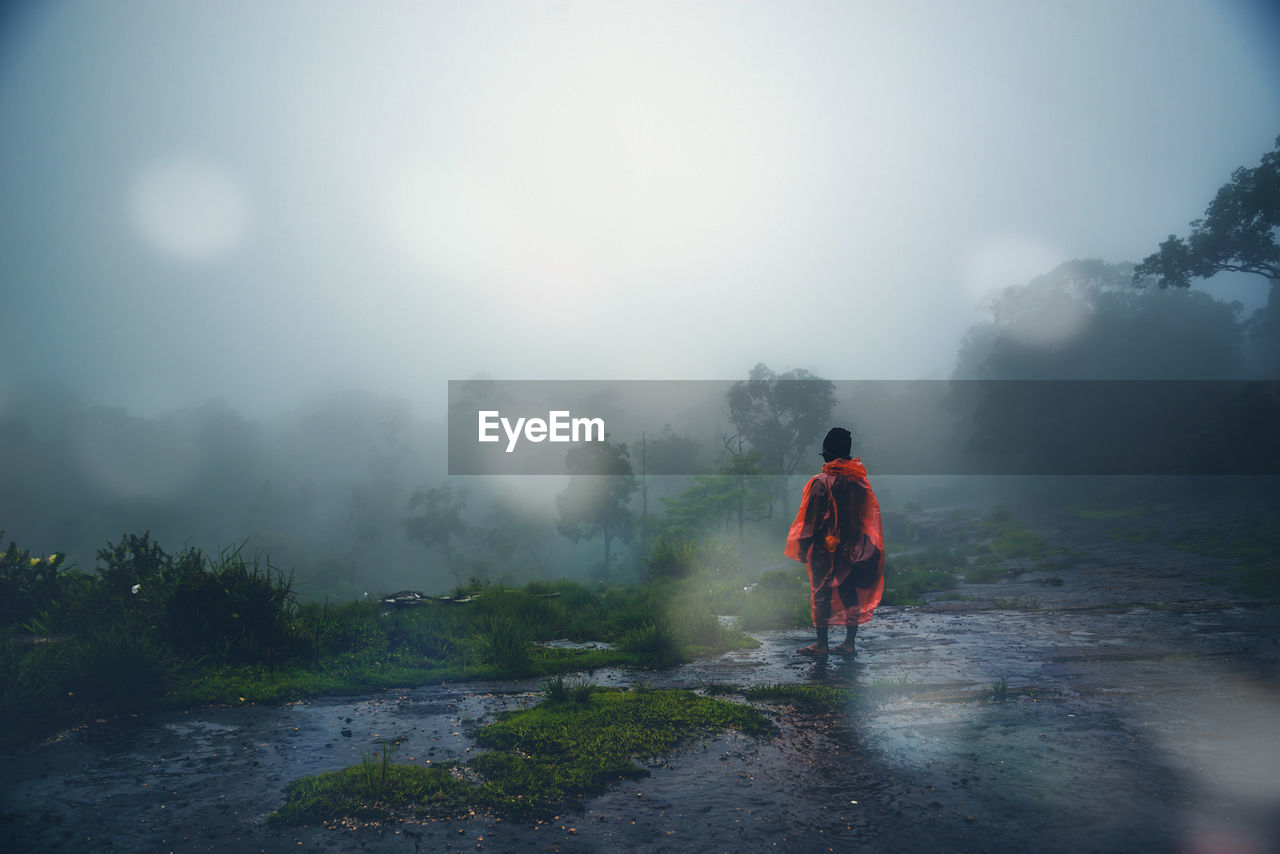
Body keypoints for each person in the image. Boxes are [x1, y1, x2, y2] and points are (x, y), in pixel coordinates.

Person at [784, 427, 885, 656]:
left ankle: (822, 643)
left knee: (821, 591)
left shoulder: (820, 482)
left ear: (827, 455)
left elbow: (810, 519)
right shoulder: (858, 481)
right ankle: (849, 643)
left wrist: (802, 546)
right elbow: (866, 516)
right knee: (849, 592)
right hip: (853, 546)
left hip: (826, 547)